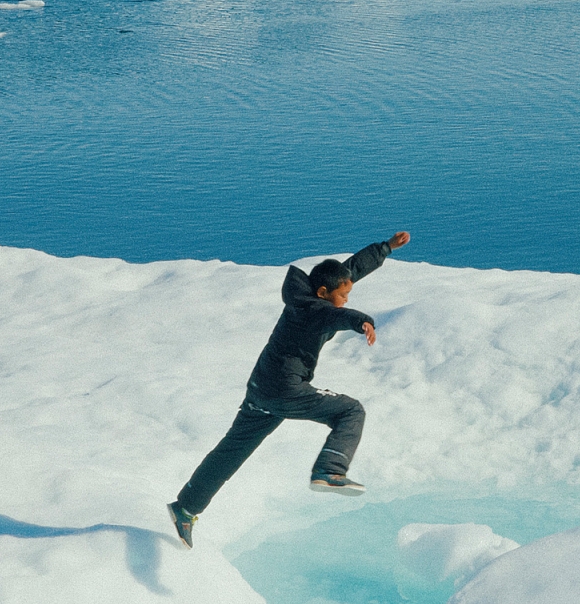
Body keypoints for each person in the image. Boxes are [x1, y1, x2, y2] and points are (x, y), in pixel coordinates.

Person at [168, 231, 411, 548]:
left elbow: (350, 270)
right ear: (323, 293)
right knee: (351, 410)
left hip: (261, 391)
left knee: (230, 453)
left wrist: (386, 248)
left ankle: (186, 508)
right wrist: (362, 321)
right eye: (343, 295)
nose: (347, 299)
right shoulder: (315, 310)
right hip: (285, 390)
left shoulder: (308, 296)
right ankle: (330, 470)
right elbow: (338, 314)